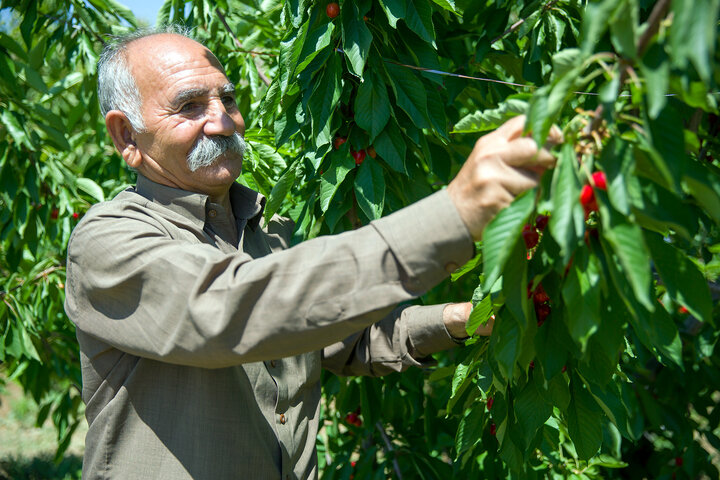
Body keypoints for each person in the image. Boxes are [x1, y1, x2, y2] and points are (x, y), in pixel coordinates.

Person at [64, 26, 559, 480]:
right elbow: (228, 311)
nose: (222, 121)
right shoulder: (108, 242)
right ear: (126, 136)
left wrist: (458, 319)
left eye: (228, 98)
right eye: (190, 105)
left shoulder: (269, 228)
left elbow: (342, 338)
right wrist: (454, 214)